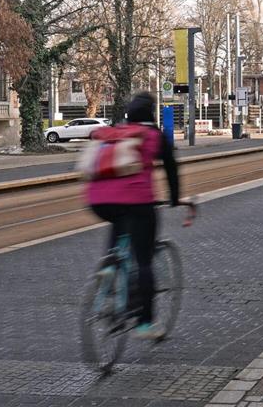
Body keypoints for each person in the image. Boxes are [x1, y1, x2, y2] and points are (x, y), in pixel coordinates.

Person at [84, 92, 195, 340]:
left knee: (120, 223)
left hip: (98, 200)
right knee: (144, 260)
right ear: (151, 112)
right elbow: (171, 170)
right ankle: (145, 323)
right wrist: (175, 199)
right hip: (137, 201)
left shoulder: (114, 133)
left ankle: (110, 266)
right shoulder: (154, 135)